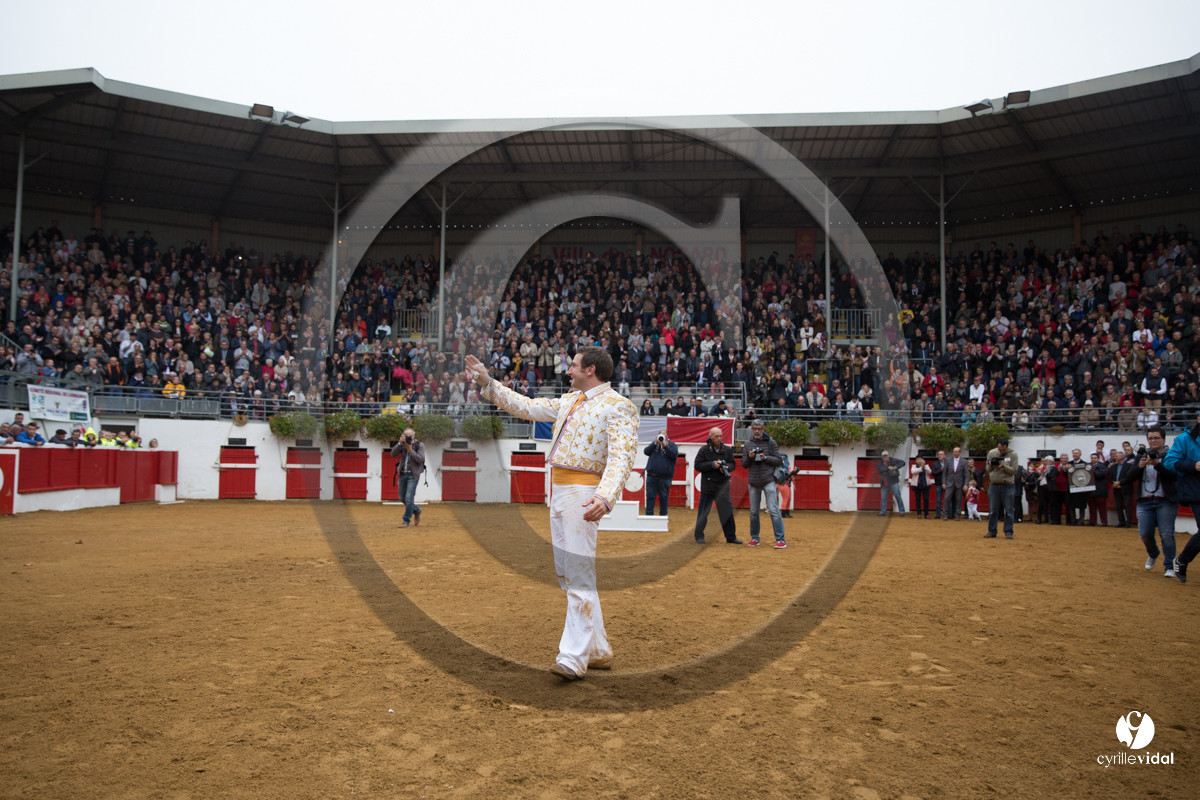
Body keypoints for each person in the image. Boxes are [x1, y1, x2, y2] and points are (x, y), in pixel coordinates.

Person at [465, 347, 637, 681]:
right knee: (570, 572)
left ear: (590, 369)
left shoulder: (620, 406)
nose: (568, 371)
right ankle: (598, 650)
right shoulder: (570, 400)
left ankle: (573, 657)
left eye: (573, 366)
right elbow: (528, 406)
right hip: (560, 491)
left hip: (584, 494)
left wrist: (605, 495)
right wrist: (488, 382)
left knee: (577, 572)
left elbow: (622, 456)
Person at [1128, 426, 1177, 578]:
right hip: (1145, 501)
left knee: (1167, 534)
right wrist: (1139, 467)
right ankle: (1153, 552)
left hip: (1165, 500)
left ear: (1163, 439)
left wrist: (1157, 465)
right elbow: (1128, 477)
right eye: (1150, 438)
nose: (1153, 440)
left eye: (1156, 438)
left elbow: (1173, 476)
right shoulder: (1142, 455)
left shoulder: (1171, 455)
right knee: (1144, 533)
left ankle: (1169, 566)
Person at [1164, 413, 1200, 583]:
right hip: (1195, 491)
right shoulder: (1184, 439)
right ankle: (1182, 560)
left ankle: (1182, 560)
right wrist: (1193, 465)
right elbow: (1170, 462)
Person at [693, 426, 741, 544]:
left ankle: (731, 537)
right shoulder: (704, 450)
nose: (719, 438)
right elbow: (697, 465)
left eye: (720, 436)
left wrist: (726, 467)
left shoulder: (727, 450)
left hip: (722, 486)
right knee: (703, 513)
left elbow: (732, 465)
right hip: (708, 486)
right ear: (710, 437)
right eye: (716, 436)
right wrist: (712, 465)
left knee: (727, 512)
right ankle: (699, 536)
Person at [742, 420, 787, 547]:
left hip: (768, 480)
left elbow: (779, 460)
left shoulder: (770, 442)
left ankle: (780, 539)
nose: (757, 431)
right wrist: (749, 457)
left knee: (773, 509)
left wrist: (765, 458)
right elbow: (744, 465)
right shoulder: (748, 444)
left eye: (759, 428)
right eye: (755, 428)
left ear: (763, 429)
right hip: (754, 481)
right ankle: (755, 538)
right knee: (754, 512)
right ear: (752, 429)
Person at [390, 427, 425, 528]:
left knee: (409, 498)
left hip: (413, 475)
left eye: (410, 436)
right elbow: (393, 454)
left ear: (414, 436)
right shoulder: (402, 444)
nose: (408, 438)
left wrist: (410, 450)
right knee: (402, 498)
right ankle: (416, 510)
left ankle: (406, 521)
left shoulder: (419, 445)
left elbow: (420, 459)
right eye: (406, 436)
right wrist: (399, 443)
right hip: (402, 473)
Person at [984, 438, 1018, 538]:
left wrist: (1004, 466)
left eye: (1003, 449)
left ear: (1006, 447)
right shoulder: (992, 453)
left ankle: (1008, 531)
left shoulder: (1013, 454)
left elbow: (1014, 470)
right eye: (999, 449)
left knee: (1009, 510)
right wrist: (992, 465)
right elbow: (987, 469)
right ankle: (992, 531)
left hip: (1008, 485)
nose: (1001, 451)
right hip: (994, 484)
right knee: (993, 510)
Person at [643, 433, 678, 516]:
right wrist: (655, 443)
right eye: (661, 436)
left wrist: (665, 446)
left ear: (667, 437)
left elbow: (674, 455)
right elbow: (646, 451)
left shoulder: (672, 445)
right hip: (652, 476)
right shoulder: (654, 445)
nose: (662, 438)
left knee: (664, 497)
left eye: (664, 436)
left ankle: (663, 517)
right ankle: (649, 516)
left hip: (665, 477)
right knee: (650, 497)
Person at [1110, 451, 1136, 528]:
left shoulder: (1129, 466)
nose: (1115, 457)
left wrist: (1119, 482)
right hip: (1116, 488)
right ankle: (1121, 521)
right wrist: (1114, 483)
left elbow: (1129, 477)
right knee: (1118, 506)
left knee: (1127, 505)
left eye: (1117, 456)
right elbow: (1111, 477)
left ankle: (1128, 522)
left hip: (1125, 487)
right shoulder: (1113, 466)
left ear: (1122, 457)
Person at [877, 450, 906, 517]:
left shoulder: (893, 460)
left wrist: (896, 467)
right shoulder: (880, 463)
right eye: (884, 456)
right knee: (883, 499)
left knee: (898, 497)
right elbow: (880, 469)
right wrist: (888, 468)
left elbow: (903, 462)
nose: (885, 457)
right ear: (882, 456)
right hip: (884, 484)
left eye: (886, 455)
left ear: (888, 455)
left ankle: (902, 511)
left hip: (893, 482)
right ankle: (883, 512)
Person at [943, 446, 969, 520]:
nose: (954, 453)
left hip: (959, 483)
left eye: (956, 452)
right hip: (949, 482)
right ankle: (945, 514)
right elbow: (944, 473)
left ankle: (957, 515)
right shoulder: (948, 460)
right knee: (946, 498)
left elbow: (966, 474)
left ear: (959, 452)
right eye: (954, 452)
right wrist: (944, 483)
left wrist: (966, 484)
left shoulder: (964, 461)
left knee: (958, 499)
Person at [1086, 452, 1110, 526]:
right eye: (1092, 458)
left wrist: (1091, 472)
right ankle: (1092, 521)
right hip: (1091, 489)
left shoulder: (1102, 465)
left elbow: (1102, 474)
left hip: (1100, 489)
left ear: (1098, 458)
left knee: (1101, 507)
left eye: (1095, 458)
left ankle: (1104, 521)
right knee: (1092, 507)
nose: (1093, 459)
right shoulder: (1088, 466)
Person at [930, 450, 946, 519]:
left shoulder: (948, 463)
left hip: (947, 484)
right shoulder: (935, 464)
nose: (939, 456)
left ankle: (948, 514)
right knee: (938, 500)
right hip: (938, 483)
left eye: (941, 454)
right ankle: (938, 514)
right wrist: (940, 470)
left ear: (944, 456)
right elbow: (933, 473)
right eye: (939, 454)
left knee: (948, 499)